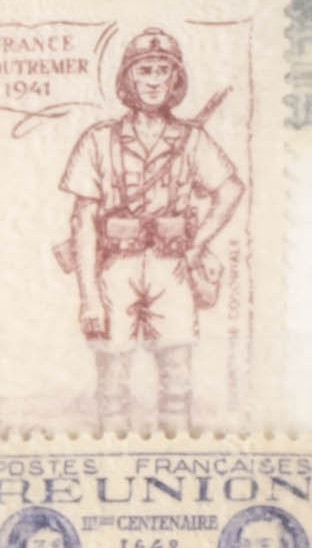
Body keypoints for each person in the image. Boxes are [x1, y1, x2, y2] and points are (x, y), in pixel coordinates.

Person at [52, 22, 242, 423]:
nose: (154, 80)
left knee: (177, 381)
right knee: (111, 383)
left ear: (175, 78)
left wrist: (197, 243)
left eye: (163, 70)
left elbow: (231, 190)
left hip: (172, 269)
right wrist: (89, 298)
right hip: (115, 268)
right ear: (128, 78)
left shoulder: (191, 139)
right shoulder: (98, 140)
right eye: (144, 70)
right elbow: (83, 221)